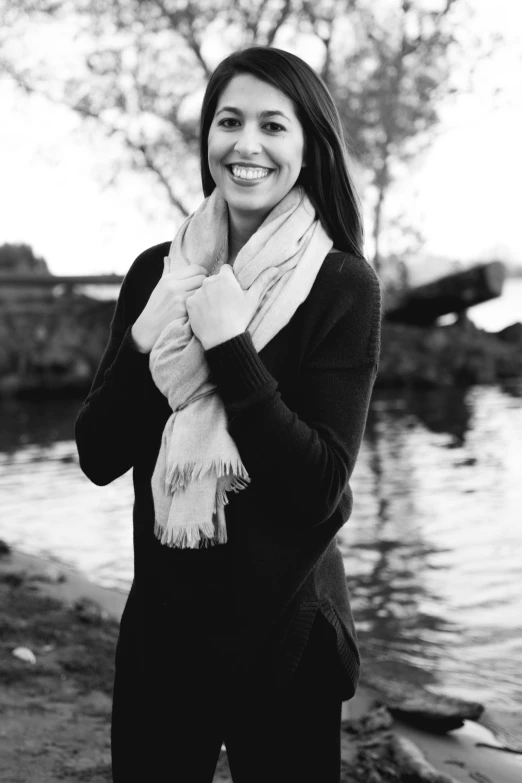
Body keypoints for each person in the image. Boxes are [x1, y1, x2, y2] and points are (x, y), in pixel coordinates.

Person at [75, 45, 382, 783]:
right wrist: (151, 332)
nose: (247, 144)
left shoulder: (344, 285)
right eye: (229, 121)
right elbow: (98, 452)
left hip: (287, 633)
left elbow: (318, 489)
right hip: (164, 631)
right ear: (208, 139)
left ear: (309, 148)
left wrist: (230, 345)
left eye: (274, 126)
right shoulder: (159, 271)